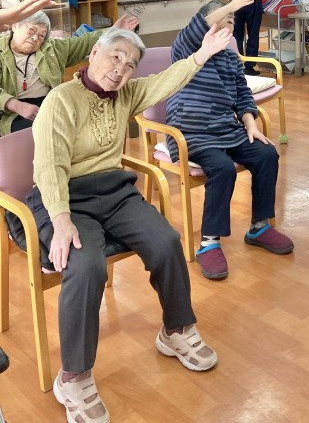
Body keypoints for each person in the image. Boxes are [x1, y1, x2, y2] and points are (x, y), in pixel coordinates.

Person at [29, 24, 233, 423]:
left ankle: (176, 330)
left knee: (166, 241)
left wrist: (201, 55)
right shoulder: (60, 99)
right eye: (115, 57)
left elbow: (164, 81)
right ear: (93, 54)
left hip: (113, 190)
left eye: (129, 64)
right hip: (65, 197)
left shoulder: (126, 93)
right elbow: (48, 165)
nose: (120, 69)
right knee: (85, 265)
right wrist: (61, 219)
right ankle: (73, 375)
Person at [167, 0, 294, 281]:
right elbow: (197, 26)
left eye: (232, 21)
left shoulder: (230, 58)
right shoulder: (187, 49)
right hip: (191, 131)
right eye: (224, 19)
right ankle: (209, 242)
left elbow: (242, 93)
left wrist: (250, 122)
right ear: (208, 25)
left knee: (266, 154)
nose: (229, 24)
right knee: (223, 168)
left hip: (226, 129)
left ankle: (259, 226)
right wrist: (231, 6)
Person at [0, 10, 137, 135]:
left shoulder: (52, 48)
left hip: (50, 103)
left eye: (41, 35)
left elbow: (84, 42)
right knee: (42, 129)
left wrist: (113, 31)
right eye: (31, 30)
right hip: (11, 112)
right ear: (15, 25)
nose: (35, 38)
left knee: (88, 119)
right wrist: (17, 106)